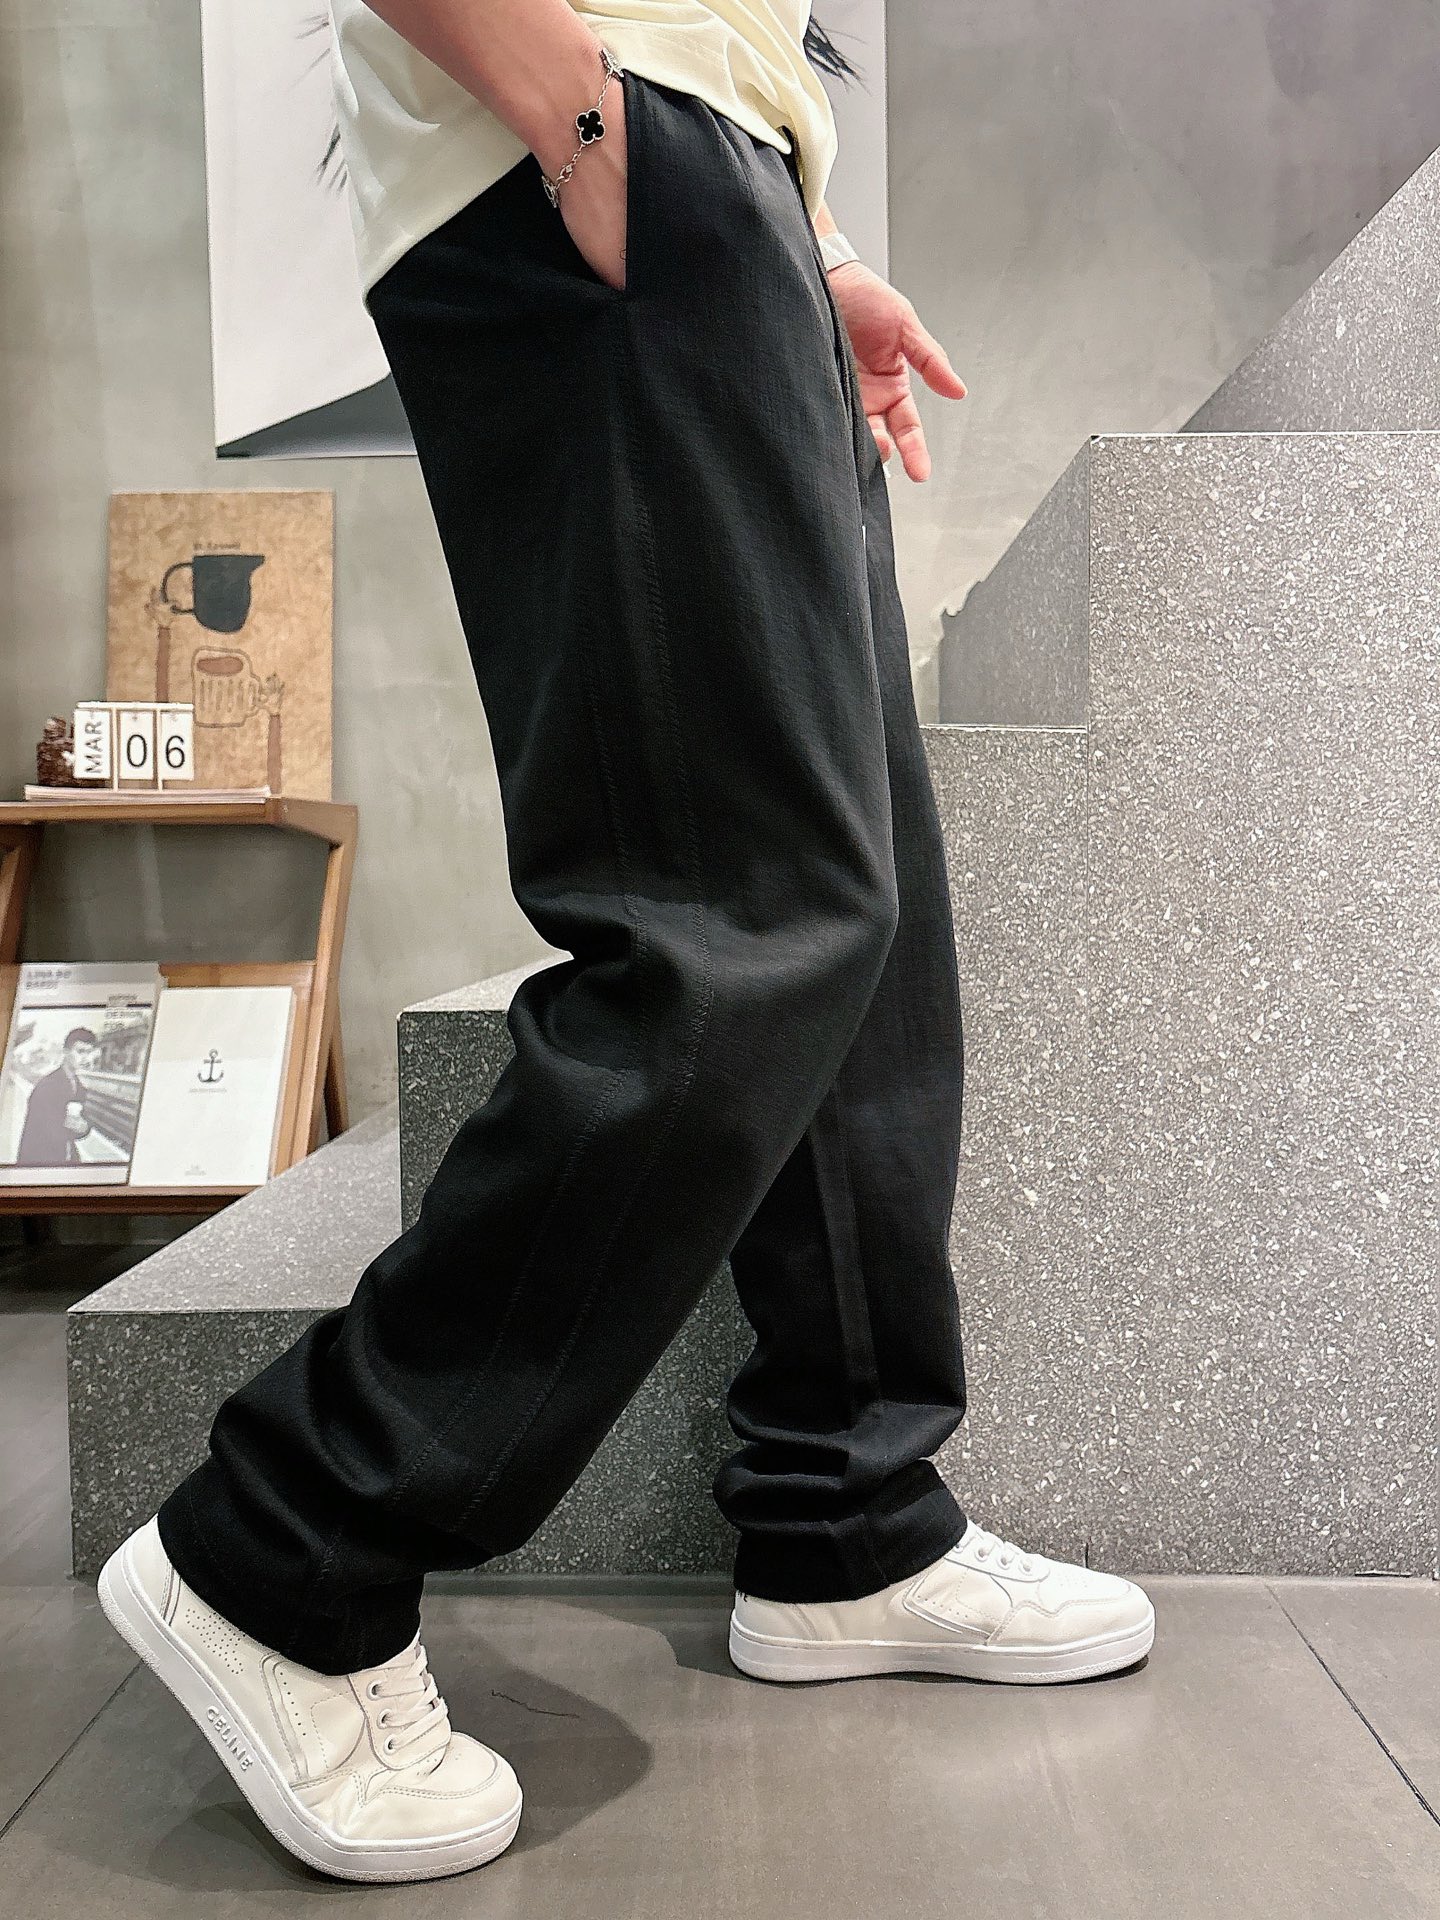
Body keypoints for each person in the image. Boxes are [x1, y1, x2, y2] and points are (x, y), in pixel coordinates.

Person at [98, 0, 1156, 1884]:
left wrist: (808, 240)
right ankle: (286, 1546)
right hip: (594, 146)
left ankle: (844, 1516)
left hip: (712, 179)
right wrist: (588, 128)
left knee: (855, 912)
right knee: (739, 920)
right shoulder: (587, 145)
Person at [15, 1026, 96, 1165]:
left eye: (89, 1052)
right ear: (66, 1052)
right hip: (41, 1161)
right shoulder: (47, 1087)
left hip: (65, 1156)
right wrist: (73, 1127)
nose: (85, 1058)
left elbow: (85, 1119)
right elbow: (45, 1131)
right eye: (80, 1051)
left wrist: (84, 1127)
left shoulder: (79, 1087)